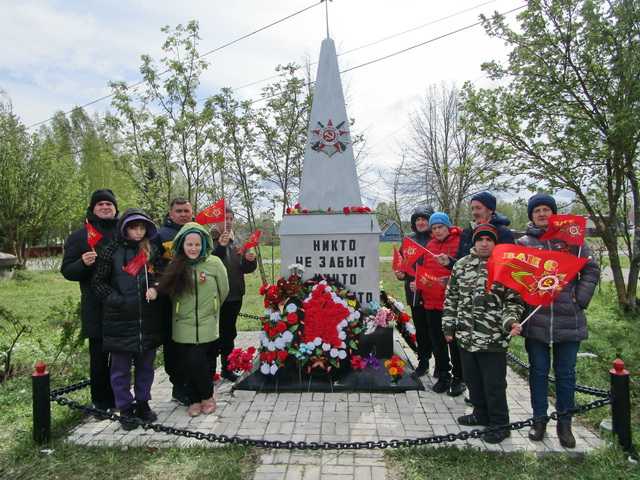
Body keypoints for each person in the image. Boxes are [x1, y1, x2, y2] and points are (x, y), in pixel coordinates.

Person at [511, 193, 599, 448]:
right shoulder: (525, 243)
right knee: (538, 373)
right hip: (537, 319)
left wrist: (579, 298)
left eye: (546, 209)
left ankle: (565, 424)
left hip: (568, 319)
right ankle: (539, 421)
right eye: (536, 210)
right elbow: (519, 278)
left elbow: (590, 269)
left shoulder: (572, 241)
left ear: (553, 213)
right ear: (531, 215)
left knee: (565, 374)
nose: (541, 214)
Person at [442, 224, 524, 444]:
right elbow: (452, 298)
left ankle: (499, 423)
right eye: (481, 239)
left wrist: (510, 323)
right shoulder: (461, 266)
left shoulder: (505, 266)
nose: (484, 243)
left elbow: (513, 302)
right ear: (474, 242)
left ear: (495, 243)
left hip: (492, 337)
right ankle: (480, 413)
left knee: (494, 384)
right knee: (473, 380)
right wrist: (449, 327)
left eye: (489, 240)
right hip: (466, 337)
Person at [91, 209, 164, 430]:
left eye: (142, 227)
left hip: (146, 321)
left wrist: (155, 288)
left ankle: (143, 403)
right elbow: (98, 283)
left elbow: (159, 276)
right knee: (120, 369)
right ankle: (125, 407)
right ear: (124, 228)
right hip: (119, 321)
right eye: (134, 227)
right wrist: (118, 300)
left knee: (145, 366)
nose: (138, 231)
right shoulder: (110, 251)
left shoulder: (149, 251)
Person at [157, 222, 229, 417]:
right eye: (189, 244)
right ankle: (196, 399)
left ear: (204, 244)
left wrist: (212, 307)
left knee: (204, 362)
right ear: (182, 244)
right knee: (188, 363)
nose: (193, 248)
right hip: (183, 323)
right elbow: (170, 293)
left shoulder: (214, 263)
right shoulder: (175, 264)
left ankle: (206, 397)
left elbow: (224, 290)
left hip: (207, 322)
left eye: (197, 244)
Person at [61, 189, 119, 413]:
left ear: (115, 208)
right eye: (100, 204)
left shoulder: (124, 232)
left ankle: (120, 397)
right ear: (93, 208)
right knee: (99, 357)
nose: (105, 207)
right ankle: (101, 402)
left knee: (121, 357)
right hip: (95, 306)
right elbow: (67, 270)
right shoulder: (79, 236)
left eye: (109, 204)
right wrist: (83, 264)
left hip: (121, 305)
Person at [418, 212, 465, 396]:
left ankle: (459, 378)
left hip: (451, 303)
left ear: (448, 226)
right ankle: (443, 375)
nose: (437, 231)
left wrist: (449, 272)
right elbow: (425, 271)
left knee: (453, 342)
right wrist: (419, 284)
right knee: (437, 342)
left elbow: (463, 267)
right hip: (431, 302)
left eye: (440, 227)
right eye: (434, 228)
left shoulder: (459, 241)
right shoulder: (430, 245)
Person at [154, 197, 194, 406]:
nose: (183, 214)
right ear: (171, 213)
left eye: (186, 210)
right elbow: (151, 264)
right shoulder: (160, 235)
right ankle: (178, 387)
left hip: (194, 297)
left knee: (192, 342)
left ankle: (195, 382)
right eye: (178, 211)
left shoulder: (196, 233)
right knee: (174, 343)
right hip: (170, 299)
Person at [211, 207, 257, 381]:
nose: (228, 221)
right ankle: (209, 370)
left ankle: (227, 367)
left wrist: (249, 261)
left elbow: (244, 268)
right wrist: (221, 245)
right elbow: (212, 260)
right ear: (216, 221)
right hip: (215, 295)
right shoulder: (210, 239)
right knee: (214, 334)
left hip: (235, 294)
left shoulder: (236, 240)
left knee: (229, 333)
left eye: (231, 218)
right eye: (224, 218)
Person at [394, 206, 434, 377]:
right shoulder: (409, 240)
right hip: (413, 291)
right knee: (421, 329)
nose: (421, 222)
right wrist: (400, 274)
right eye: (417, 219)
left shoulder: (437, 239)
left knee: (435, 330)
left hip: (433, 291)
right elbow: (403, 265)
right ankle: (423, 362)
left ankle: (441, 366)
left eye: (424, 218)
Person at [456, 191, 514, 259]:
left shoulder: (503, 233)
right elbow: (460, 260)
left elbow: (508, 262)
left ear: (490, 210)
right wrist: (449, 263)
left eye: (478, 208)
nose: (474, 212)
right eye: (472, 209)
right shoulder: (467, 232)